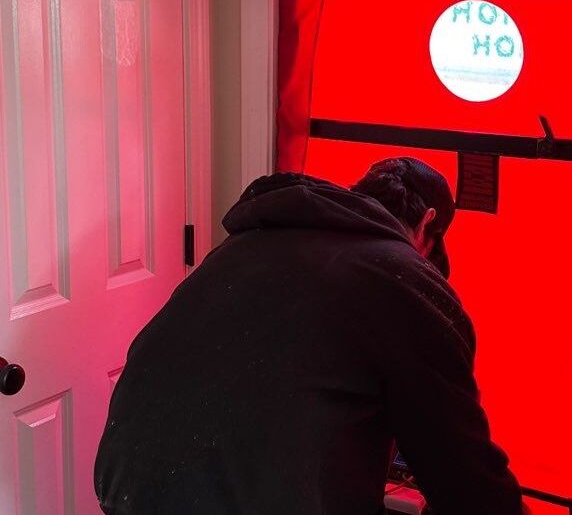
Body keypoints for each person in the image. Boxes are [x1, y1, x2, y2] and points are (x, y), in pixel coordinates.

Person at [94, 158, 524, 515]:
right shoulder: (402, 275)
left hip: (128, 483)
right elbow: (459, 469)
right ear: (428, 224)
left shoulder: (242, 247)